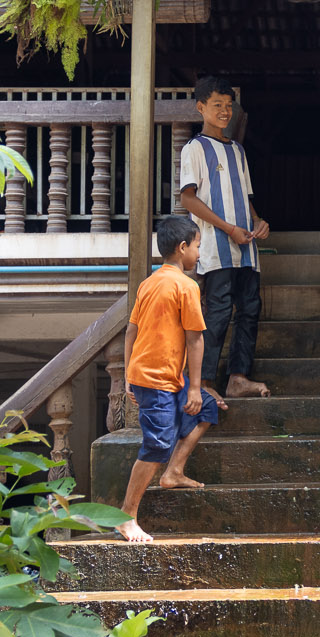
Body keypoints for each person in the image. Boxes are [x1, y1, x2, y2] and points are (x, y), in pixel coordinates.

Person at [118, 214, 224, 543]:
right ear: (182, 248)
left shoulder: (148, 283)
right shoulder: (185, 285)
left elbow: (130, 332)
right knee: (158, 443)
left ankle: (173, 472)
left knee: (208, 408)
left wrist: (127, 376)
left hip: (152, 377)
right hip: (157, 380)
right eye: (197, 247)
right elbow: (195, 339)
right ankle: (126, 517)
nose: (199, 254)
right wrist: (195, 386)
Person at [179, 75, 272, 399]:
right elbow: (188, 199)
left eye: (228, 106)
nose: (224, 111)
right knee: (217, 312)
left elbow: (244, 199)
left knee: (249, 310)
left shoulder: (238, 151)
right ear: (201, 107)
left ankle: (237, 378)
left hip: (246, 249)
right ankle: (203, 384)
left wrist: (259, 222)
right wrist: (227, 228)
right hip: (217, 249)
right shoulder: (194, 148)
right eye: (217, 105)